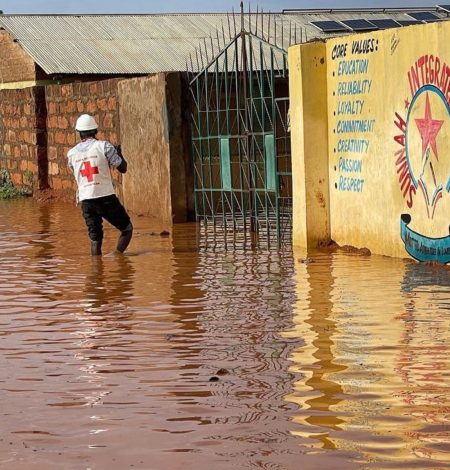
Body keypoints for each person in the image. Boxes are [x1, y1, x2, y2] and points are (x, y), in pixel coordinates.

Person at [68, 114, 133, 256]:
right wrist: (119, 154)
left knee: (95, 238)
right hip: (106, 197)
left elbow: (76, 173)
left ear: (79, 133)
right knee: (127, 228)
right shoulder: (105, 147)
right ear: (95, 131)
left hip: (86, 200)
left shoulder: (71, 154)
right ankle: (117, 255)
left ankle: (96, 270)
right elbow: (123, 168)